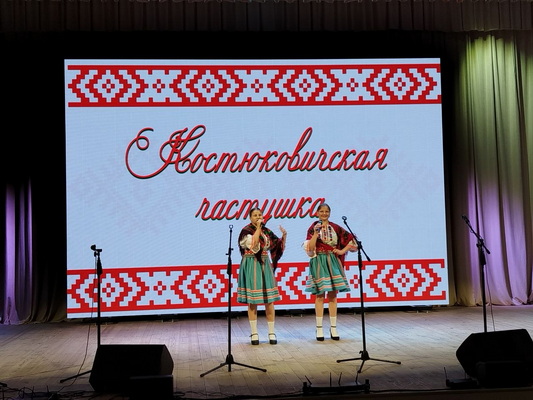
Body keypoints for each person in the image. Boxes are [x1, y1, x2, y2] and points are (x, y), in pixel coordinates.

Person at [303, 203, 357, 341]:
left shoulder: (336, 227)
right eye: (321, 211)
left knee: (333, 295)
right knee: (320, 295)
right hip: (319, 261)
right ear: (317, 213)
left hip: (333, 261)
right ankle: (319, 328)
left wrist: (342, 251)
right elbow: (310, 247)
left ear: (329, 213)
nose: (324, 214)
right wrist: (316, 233)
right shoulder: (313, 227)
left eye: (326, 211)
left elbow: (352, 241)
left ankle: (333, 328)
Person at [237, 207, 287, 345]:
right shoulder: (246, 231)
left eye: (260, 215)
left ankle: (271, 332)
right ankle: (254, 333)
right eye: (255, 215)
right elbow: (253, 244)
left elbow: (276, 246)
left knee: (269, 300)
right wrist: (258, 228)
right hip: (251, 264)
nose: (258, 217)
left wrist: (284, 236)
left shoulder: (266, 231)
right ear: (250, 217)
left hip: (265, 264)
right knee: (253, 300)